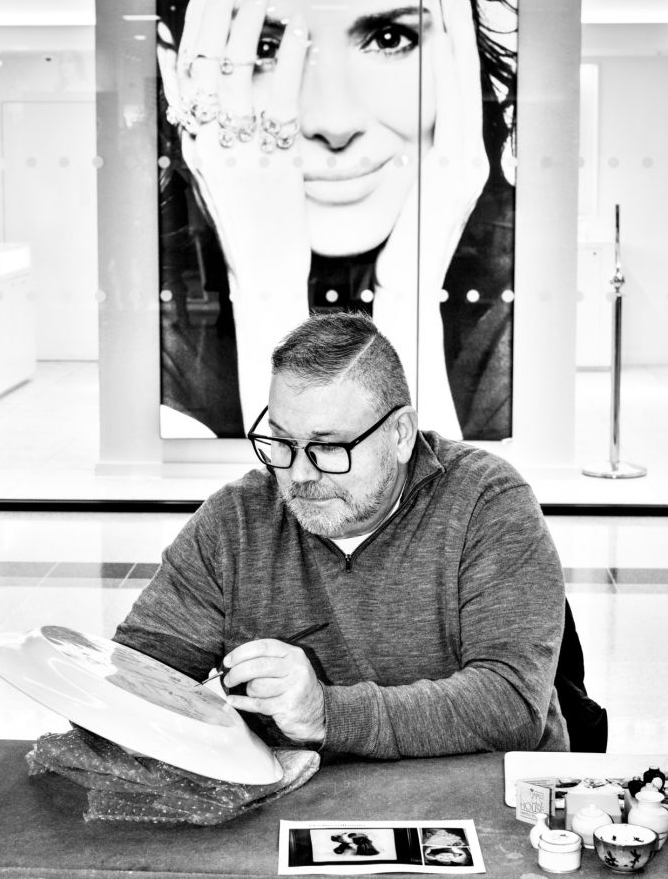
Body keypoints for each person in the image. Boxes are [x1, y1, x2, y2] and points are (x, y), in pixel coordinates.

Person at [155, 0, 516, 442]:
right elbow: (289, 524)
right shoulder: (152, 320)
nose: (333, 120)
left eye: (390, 38)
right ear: (180, 71)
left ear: (458, 51)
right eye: (265, 47)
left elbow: (452, 532)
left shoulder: (516, 297)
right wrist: (263, 280)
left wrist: (410, 298)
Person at [114, 311, 569, 758]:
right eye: (282, 443)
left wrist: (327, 714)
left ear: (401, 434)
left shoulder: (486, 502)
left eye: (328, 446)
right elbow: (142, 668)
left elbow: (512, 703)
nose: (299, 474)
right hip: (296, 798)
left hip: (477, 794)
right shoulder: (235, 522)